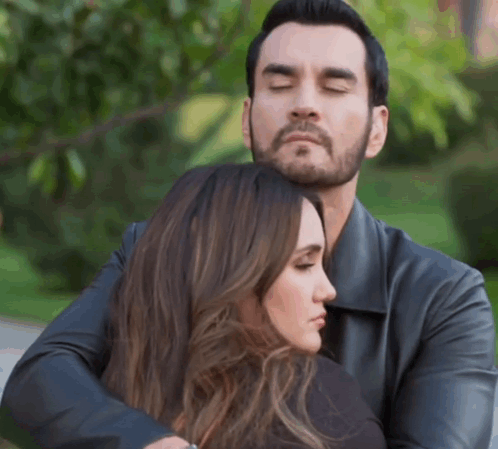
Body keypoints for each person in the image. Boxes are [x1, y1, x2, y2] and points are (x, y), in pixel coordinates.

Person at [0, 0, 496, 448]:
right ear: (247, 119)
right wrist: (148, 442)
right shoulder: (162, 245)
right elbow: (37, 382)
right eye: (280, 85)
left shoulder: (443, 297)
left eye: (334, 86)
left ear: (377, 129)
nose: (305, 104)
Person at [101, 163, 387, 449]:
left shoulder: (107, 402)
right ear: (230, 274)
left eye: (322, 264)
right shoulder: (323, 404)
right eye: (304, 264)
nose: (329, 290)